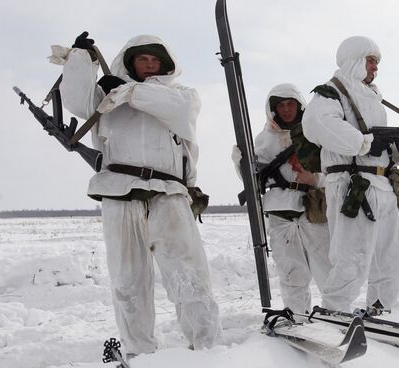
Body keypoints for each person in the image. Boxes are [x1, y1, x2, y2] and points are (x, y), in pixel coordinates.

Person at [55, 32, 221, 357]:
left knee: (189, 277)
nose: (148, 65)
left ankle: (208, 351)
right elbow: (76, 100)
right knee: (128, 283)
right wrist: (80, 59)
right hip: (119, 195)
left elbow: (175, 109)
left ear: (165, 64)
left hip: (169, 195)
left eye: (154, 60)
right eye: (142, 59)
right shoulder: (107, 98)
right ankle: (139, 354)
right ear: (131, 61)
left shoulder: (182, 95)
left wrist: (128, 90)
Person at [301, 36, 399, 313]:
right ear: (354, 59)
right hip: (353, 185)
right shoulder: (331, 93)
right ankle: (334, 313)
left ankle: (379, 310)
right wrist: (364, 142)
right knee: (352, 259)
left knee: (391, 260)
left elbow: (379, 152)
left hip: (382, 186)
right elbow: (317, 124)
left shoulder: (373, 98)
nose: (375, 68)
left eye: (376, 62)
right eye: (370, 60)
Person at [250, 83, 332, 313]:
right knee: (291, 273)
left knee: (328, 269)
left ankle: (338, 314)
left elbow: (332, 170)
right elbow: (254, 179)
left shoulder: (314, 135)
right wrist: (242, 163)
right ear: (274, 109)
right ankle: (297, 317)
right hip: (281, 214)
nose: (286, 109)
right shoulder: (262, 140)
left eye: (290, 104)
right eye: (281, 105)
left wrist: (314, 178)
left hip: (313, 210)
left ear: (299, 105)